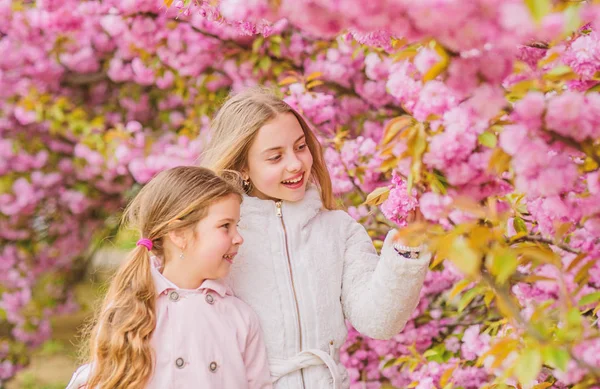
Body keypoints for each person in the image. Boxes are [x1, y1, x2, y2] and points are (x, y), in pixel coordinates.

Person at [202, 87, 430, 389]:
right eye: (275, 157)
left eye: (300, 147)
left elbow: (380, 321)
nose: (295, 164)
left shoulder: (339, 229)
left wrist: (407, 248)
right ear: (243, 167)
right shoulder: (221, 235)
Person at [66, 166, 272, 389]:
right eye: (225, 226)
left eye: (236, 226)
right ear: (179, 234)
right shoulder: (132, 310)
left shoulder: (240, 318)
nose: (239, 238)